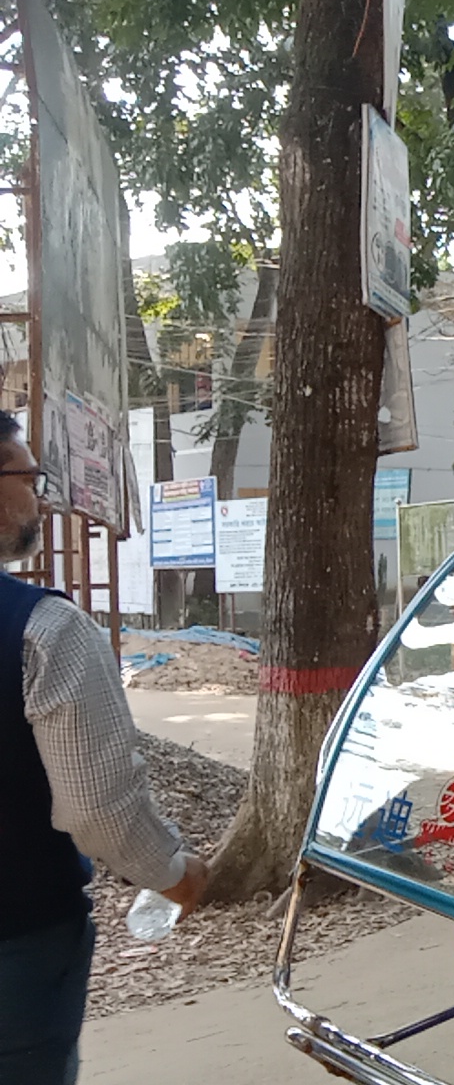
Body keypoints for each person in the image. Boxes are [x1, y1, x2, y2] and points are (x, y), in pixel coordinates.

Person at [0, 414, 209, 1084]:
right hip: (16, 945)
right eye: (30, 478)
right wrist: (171, 873)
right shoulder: (43, 631)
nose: (39, 497)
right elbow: (97, 810)